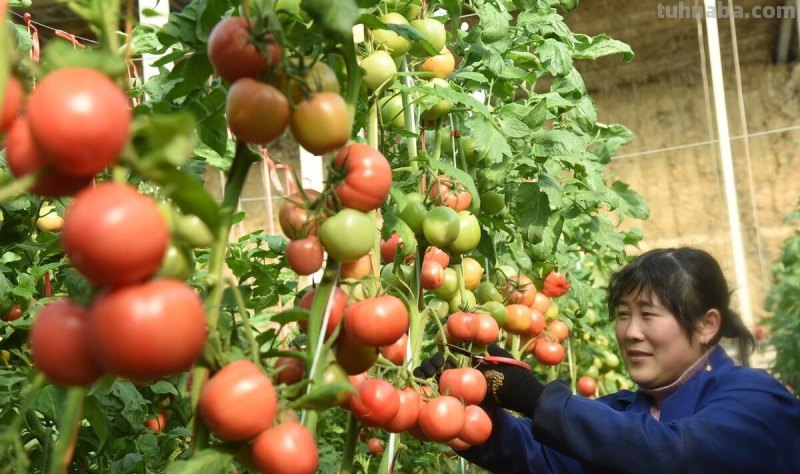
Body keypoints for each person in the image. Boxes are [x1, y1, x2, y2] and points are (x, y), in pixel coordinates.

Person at [449, 247, 800, 474]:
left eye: (648, 315)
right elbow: (540, 456)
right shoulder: (623, 411)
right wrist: (468, 405)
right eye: (623, 314)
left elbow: (674, 455)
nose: (630, 332)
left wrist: (534, 397)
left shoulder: (757, 399)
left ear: (706, 324)